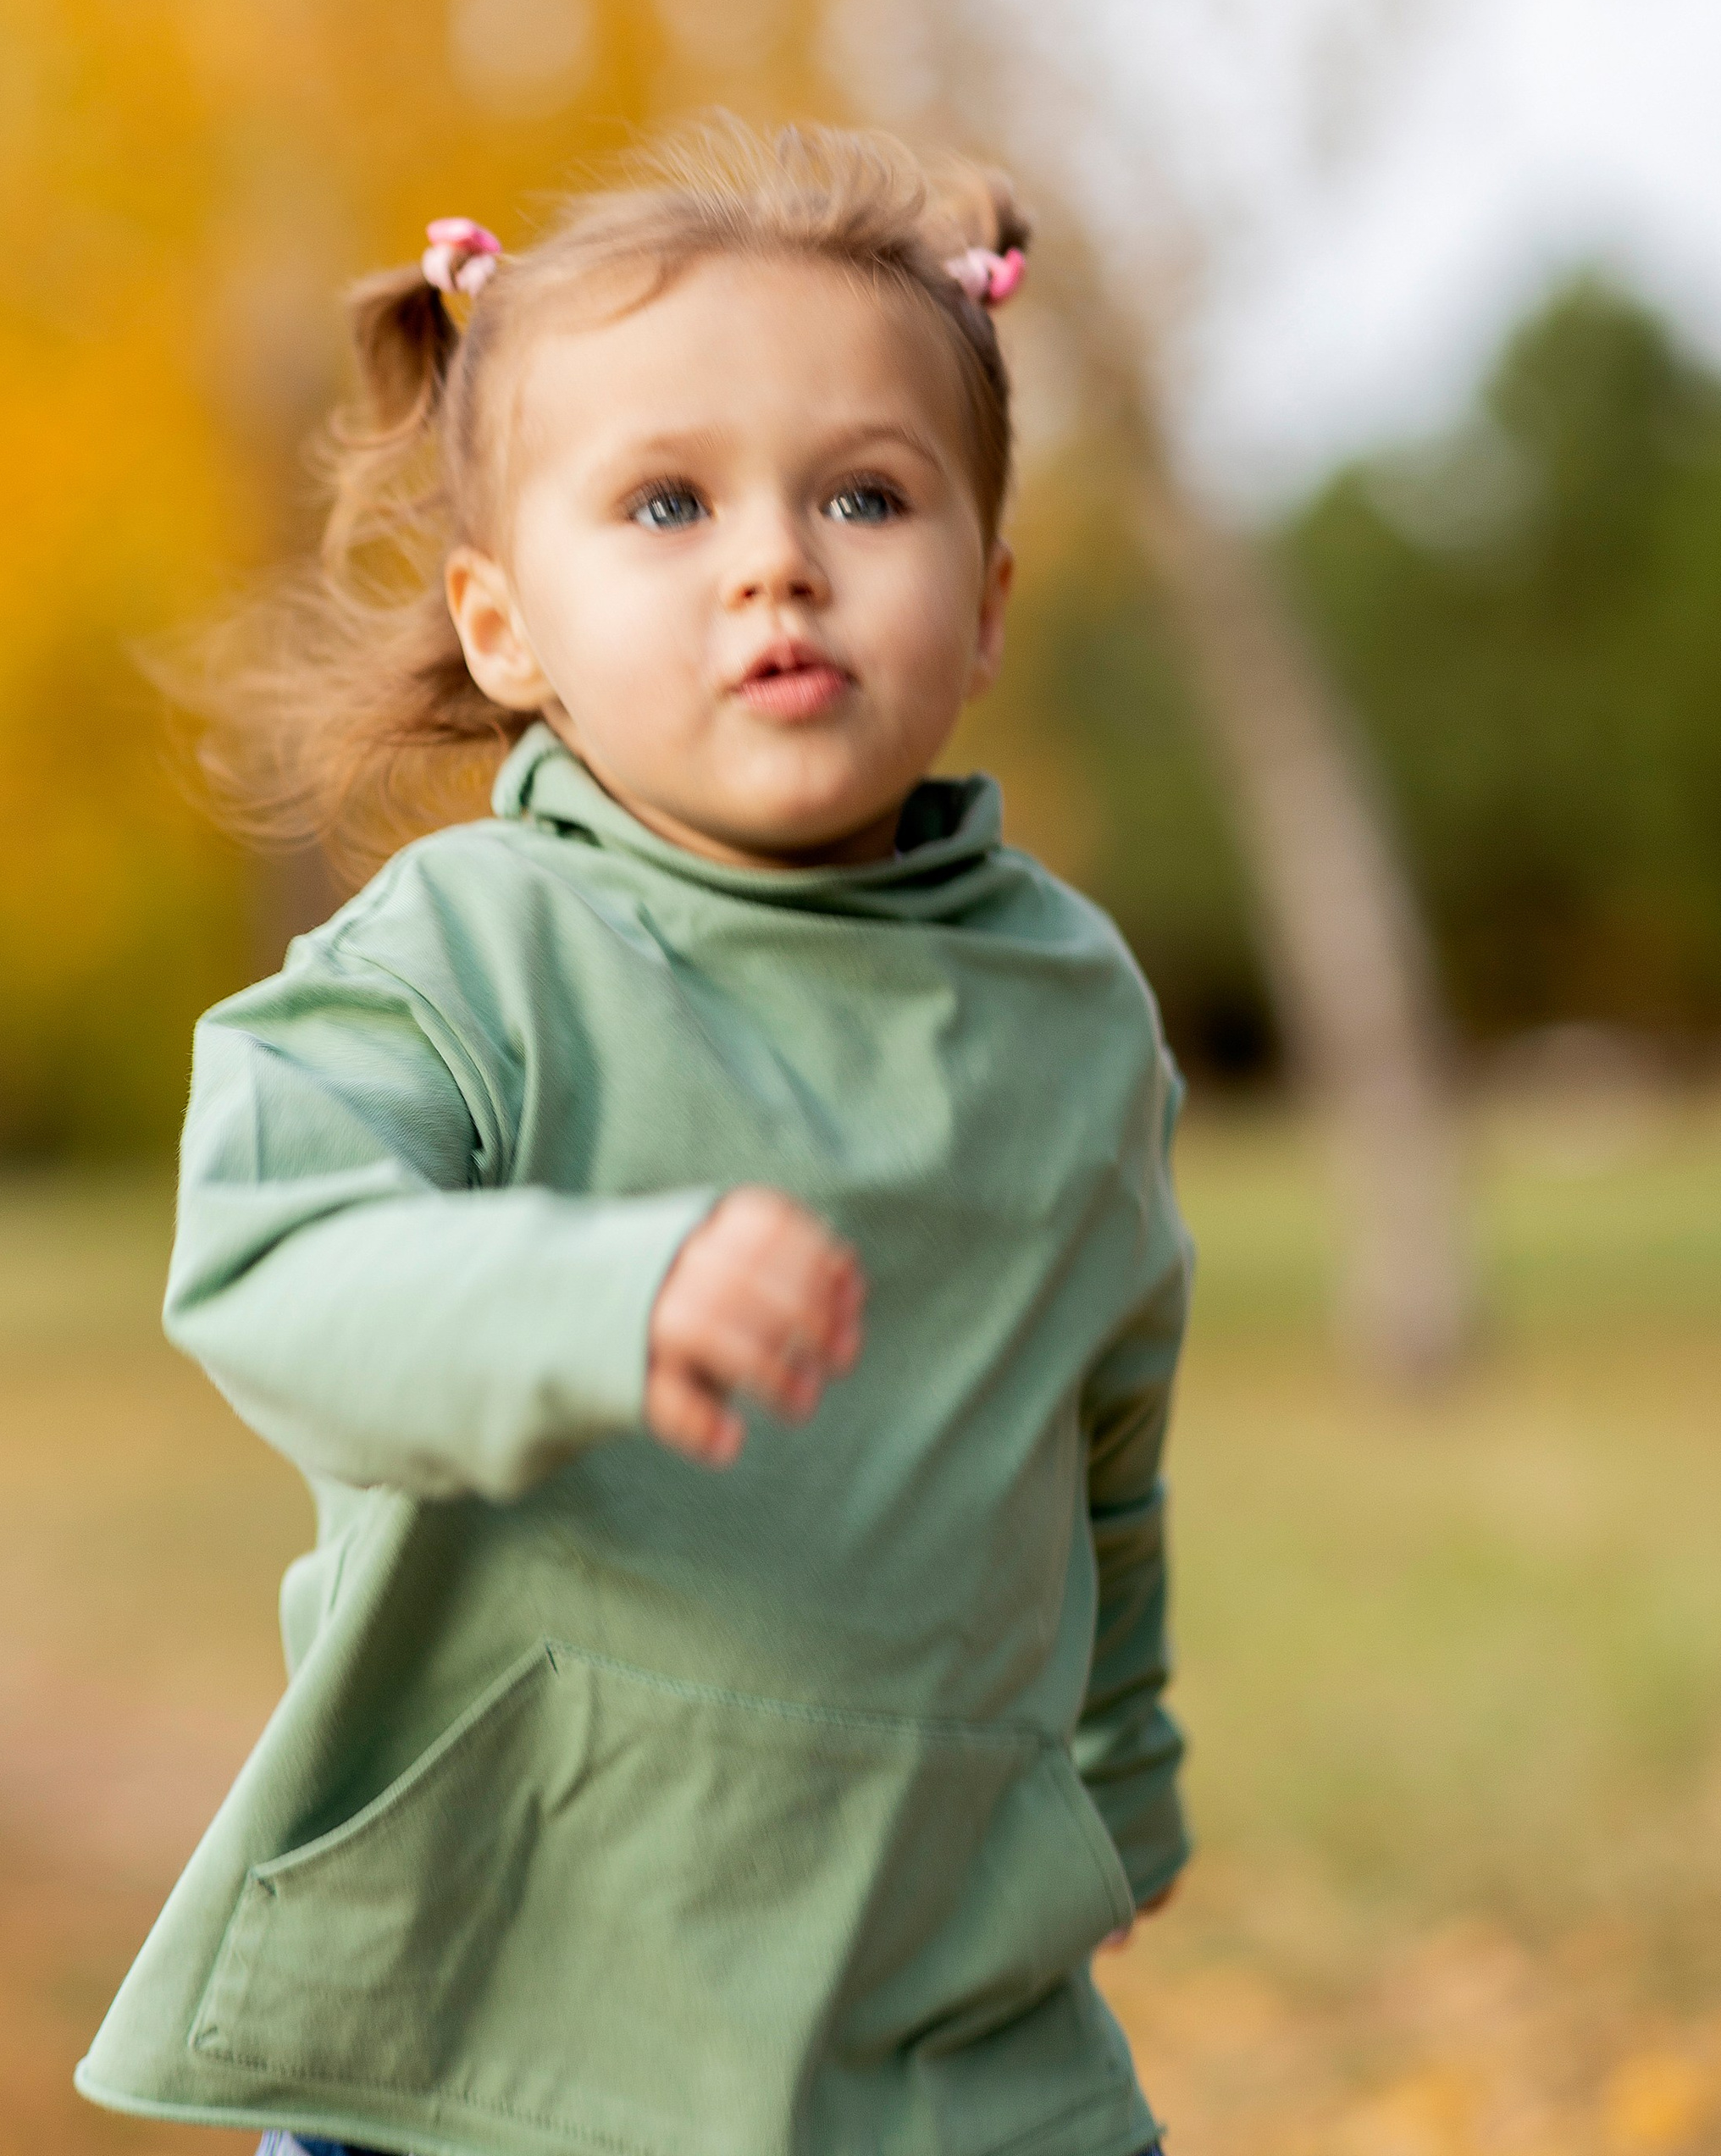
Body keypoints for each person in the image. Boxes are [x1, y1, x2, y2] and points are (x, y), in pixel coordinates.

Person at [77, 118, 1193, 2156]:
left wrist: (1116, 1768)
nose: (776, 559)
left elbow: (1099, 1419)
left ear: (989, 596)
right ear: (504, 628)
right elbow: (269, 1266)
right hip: (498, 2014)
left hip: (943, 2038)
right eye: (666, 503)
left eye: (866, 493)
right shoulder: (465, 950)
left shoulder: (1067, 1009)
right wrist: (600, 1292)